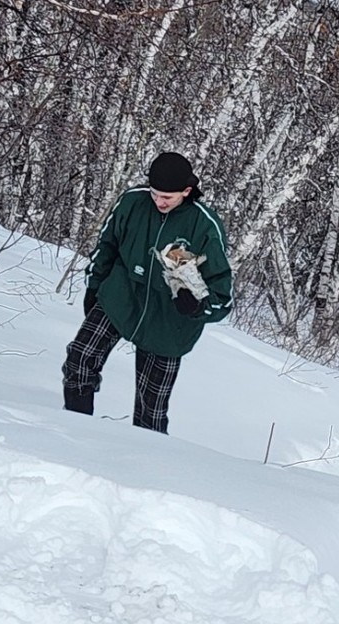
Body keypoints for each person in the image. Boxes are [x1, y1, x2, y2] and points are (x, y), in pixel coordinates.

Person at [62, 152, 234, 433]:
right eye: (155, 194)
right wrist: (95, 287)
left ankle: (142, 466)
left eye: (167, 197)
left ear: (187, 192)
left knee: (150, 411)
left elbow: (222, 295)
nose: (159, 202)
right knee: (79, 361)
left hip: (169, 322)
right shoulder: (133, 202)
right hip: (121, 296)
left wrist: (198, 307)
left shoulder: (205, 225)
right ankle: (75, 432)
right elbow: (107, 245)